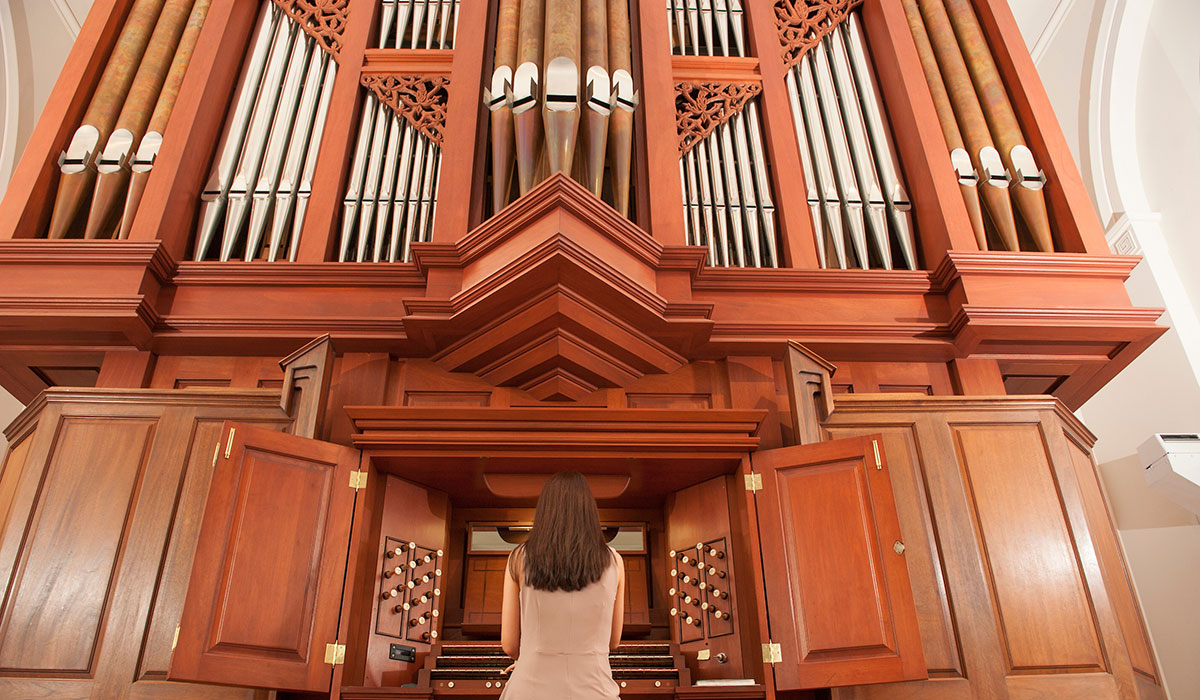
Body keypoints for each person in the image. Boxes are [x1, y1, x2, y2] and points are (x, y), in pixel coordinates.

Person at [499, 471, 625, 700]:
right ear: (589, 511)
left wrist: (530, 660)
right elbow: (614, 641)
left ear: (545, 511)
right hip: (595, 691)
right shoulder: (614, 561)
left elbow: (508, 645)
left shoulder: (517, 557)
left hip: (530, 689)